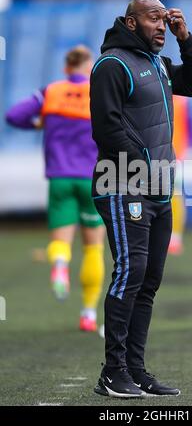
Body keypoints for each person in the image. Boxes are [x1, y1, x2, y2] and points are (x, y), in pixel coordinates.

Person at [90, 0, 192, 398]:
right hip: (122, 185)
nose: (161, 25)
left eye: (165, 19)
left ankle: (136, 371)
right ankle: (112, 372)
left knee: (149, 280)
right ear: (131, 21)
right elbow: (106, 130)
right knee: (131, 273)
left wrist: (185, 39)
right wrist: (143, 162)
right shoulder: (112, 65)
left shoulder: (158, 63)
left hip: (159, 187)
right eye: (153, 18)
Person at [6, 45, 105, 333]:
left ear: (66, 68)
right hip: (92, 179)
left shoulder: (51, 91)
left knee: (61, 239)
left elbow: (13, 116)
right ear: (89, 68)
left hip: (59, 177)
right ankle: (88, 312)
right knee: (93, 247)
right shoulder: (97, 93)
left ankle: (60, 265)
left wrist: (39, 123)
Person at [168, 95, 189, 255]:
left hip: (173, 154)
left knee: (174, 196)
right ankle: (173, 237)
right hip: (163, 153)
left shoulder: (180, 101)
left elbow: (189, 128)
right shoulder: (181, 101)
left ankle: (174, 238)